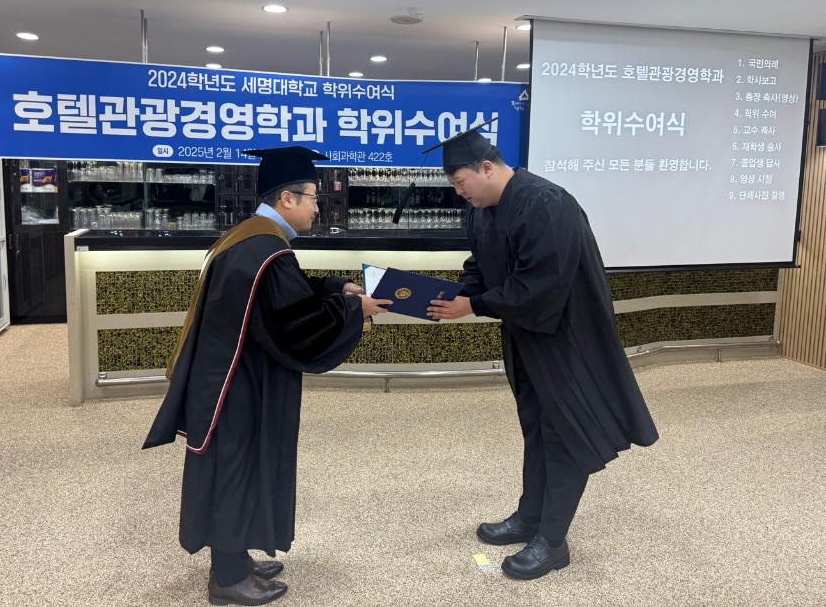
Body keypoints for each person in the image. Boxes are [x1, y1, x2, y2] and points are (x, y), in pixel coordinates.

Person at [144, 146, 392, 606]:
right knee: (237, 470)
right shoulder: (266, 251)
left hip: (230, 375)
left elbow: (283, 300)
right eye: (313, 197)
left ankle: (235, 559)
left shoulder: (250, 239)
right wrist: (354, 311)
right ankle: (228, 578)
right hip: (241, 386)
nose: (318, 208)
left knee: (238, 468)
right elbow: (295, 326)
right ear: (287, 199)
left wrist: (336, 288)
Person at [425, 124, 659, 580]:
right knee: (535, 426)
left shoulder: (548, 204)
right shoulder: (482, 211)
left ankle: (552, 541)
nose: (459, 192)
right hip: (525, 335)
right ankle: (530, 516)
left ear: (486, 167)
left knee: (563, 434)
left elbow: (542, 284)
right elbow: (481, 266)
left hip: (566, 339)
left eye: (460, 182)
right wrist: (457, 294)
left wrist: (474, 305)